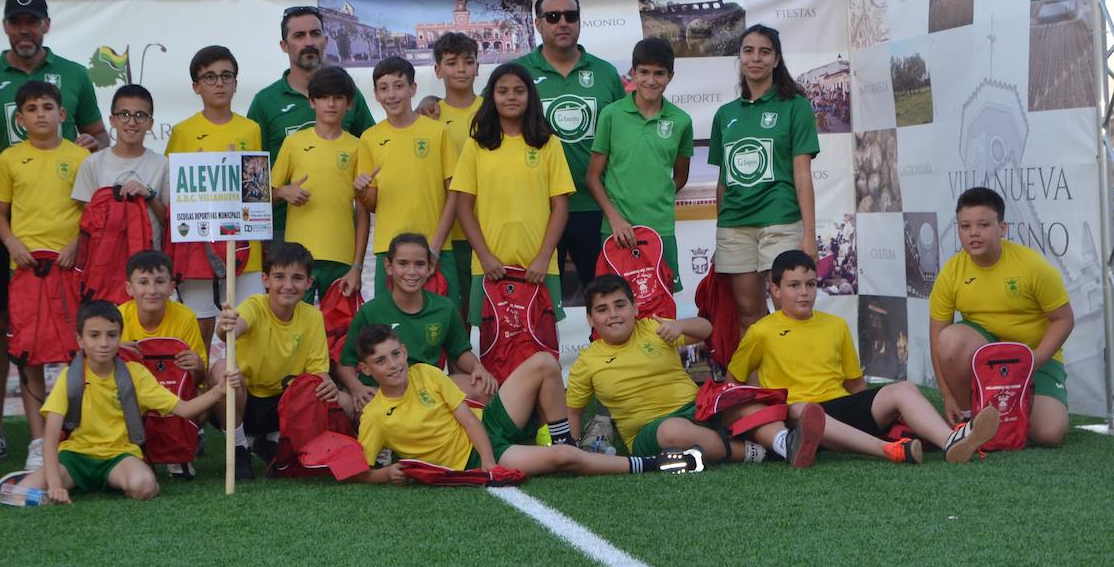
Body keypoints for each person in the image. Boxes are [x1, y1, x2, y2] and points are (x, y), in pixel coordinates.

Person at [0, 0, 108, 464]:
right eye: (16, 22)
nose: (25, 29)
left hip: (68, 254)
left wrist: (91, 145)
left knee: (75, 339)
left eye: (33, 21)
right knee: (4, 332)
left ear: (46, 25)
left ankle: (76, 431)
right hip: (7, 243)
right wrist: (7, 240)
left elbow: (100, 138)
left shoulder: (73, 74)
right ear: (6, 26)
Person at [731, 251, 997, 464]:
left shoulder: (835, 325)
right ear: (775, 290)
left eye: (810, 284)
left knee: (903, 389)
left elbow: (856, 386)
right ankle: (889, 450)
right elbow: (733, 382)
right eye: (794, 285)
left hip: (841, 408)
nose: (804, 292)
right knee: (803, 409)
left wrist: (884, 409)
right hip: (802, 422)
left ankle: (951, 441)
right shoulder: (760, 332)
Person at [351, 325, 702, 481]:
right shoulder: (375, 415)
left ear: (404, 350)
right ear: (366, 370)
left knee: (544, 363)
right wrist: (385, 474)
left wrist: (489, 462)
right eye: (381, 361)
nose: (394, 364)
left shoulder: (424, 372)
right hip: (472, 459)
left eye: (396, 353)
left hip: (486, 435)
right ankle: (654, 464)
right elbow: (361, 470)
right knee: (565, 460)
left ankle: (565, 438)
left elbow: (468, 419)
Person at [0, 300, 241, 503]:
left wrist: (218, 390)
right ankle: (43, 478)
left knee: (144, 487)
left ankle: (102, 482)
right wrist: (54, 485)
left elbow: (185, 409)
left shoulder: (135, 373)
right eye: (94, 336)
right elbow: (51, 435)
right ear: (80, 340)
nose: (103, 343)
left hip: (118, 456)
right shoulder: (70, 377)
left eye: (111, 335)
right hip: (75, 458)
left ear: (120, 337)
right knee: (18, 495)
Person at [570, 275, 822, 467]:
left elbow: (706, 329)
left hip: (698, 407)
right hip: (649, 432)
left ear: (634, 308)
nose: (613, 315)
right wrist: (572, 448)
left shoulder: (651, 327)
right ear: (590, 319)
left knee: (742, 401)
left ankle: (786, 444)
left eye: (620, 305)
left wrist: (680, 326)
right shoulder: (586, 361)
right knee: (673, 431)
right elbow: (574, 410)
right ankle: (748, 451)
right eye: (602, 310)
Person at [0, 80, 90, 471]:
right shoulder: (9, 160)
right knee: (29, 354)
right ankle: (37, 441)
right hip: (27, 269)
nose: (41, 115)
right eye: (31, 109)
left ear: (62, 114)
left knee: (74, 352)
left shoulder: (81, 158)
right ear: (20, 119)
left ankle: (70, 434)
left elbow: (90, 214)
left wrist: (76, 244)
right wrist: (12, 244)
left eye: (48, 107)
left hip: (68, 268)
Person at [929, 187, 1073, 446]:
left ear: (1002, 228)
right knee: (950, 340)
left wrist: (1033, 361)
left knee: (1049, 434)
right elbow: (937, 336)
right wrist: (947, 395)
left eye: (983, 224)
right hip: (985, 357)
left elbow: (1064, 319)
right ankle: (970, 419)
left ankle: (1006, 412)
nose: (973, 233)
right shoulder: (951, 272)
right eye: (965, 226)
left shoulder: (1032, 265)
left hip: (1033, 357)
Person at [708, 24, 819, 336]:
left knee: (790, 311)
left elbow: (802, 172)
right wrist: (721, 231)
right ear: (740, 58)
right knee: (749, 316)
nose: (755, 58)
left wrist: (809, 235)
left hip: (780, 221)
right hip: (735, 227)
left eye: (764, 52)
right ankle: (758, 386)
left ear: (777, 59)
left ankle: (797, 383)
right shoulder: (724, 114)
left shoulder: (795, 106)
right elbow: (723, 181)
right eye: (748, 51)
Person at [515, 0, 625, 291]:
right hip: (539, 209)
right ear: (538, 24)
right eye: (553, 17)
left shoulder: (605, 73)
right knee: (540, 303)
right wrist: (431, 101)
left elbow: (626, 130)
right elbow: (485, 115)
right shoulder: (518, 72)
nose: (563, 23)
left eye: (571, 16)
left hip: (596, 208)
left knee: (606, 300)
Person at [450, 62, 573, 329]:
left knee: (542, 346)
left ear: (530, 96)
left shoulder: (548, 144)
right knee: (493, 352)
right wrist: (485, 257)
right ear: (491, 97)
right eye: (502, 91)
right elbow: (463, 207)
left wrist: (543, 257)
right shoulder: (477, 146)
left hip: (538, 269)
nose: (511, 97)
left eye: (519, 91)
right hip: (490, 268)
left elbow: (560, 207)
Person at [214, 241, 347, 480]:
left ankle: (272, 442)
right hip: (244, 399)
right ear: (265, 280)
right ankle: (238, 447)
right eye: (279, 277)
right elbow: (229, 331)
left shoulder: (313, 316)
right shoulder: (255, 304)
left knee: (340, 398)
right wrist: (226, 325)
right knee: (221, 369)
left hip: (282, 405)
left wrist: (326, 382)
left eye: (297, 278)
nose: (288, 285)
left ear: (309, 283)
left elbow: (318, 371)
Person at [165, 45, 264, 352]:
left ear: (236, 81)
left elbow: (256, 192)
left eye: (226, 76)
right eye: (210, 77)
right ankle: (200, 397)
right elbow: (173, 193)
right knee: (199, 332)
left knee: (248, 331)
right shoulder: (183, 132)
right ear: (196, 86)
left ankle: (242, 398)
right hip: (198, 248)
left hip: (245, 248)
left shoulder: (251, 129)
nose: (219, 83)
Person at [247, 6, 376, 238]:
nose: (309, 42)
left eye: (315, 34)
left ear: (325, 40)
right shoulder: (265, 102)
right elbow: (252, 181)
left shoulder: (349, 95)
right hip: (279, 233)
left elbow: (377, 145)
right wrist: (280, 192)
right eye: (299, 36)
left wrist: (422, 108)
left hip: (337, 235)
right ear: (284, 46)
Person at [335, 233, 496, 411]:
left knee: (484, 387)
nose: (411, 272)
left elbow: (459, 352)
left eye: (419, 264)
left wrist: (477, 367)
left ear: (430, 268)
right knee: (367, 410)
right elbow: (345, 363)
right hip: (384, 390)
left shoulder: (444, 307)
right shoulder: (370, 311)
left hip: (427, 386)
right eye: (403, 263)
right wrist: (356, 387)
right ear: (388, 266)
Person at [586, 37, 694, 291]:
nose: (651, 80)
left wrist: (657, 195)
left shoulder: (681, 121)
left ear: (671, 76)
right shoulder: (611, 115)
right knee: (617, 305)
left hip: (661, 230)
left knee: (661, 307)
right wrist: (615, 218)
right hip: (617, 230)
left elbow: (680, 176)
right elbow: (592, 177)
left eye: (659, 73)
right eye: (644, 72)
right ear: (633, 73)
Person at [356, 56, 458, 304]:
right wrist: (360, 192)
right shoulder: (369, 138)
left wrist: (434, 246)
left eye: (399, 86)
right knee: (389, 329)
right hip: (389, 252)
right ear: (376, 94)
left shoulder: (437, 132)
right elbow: (370, 204)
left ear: (413, 88)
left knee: (447, 323)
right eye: (384, 88)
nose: (392, 94)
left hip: (437, 248)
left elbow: (454, 194)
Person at [270, 65, 370, 302]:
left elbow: (363, 211)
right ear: (312, 102)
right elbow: (265, 195)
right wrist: (284, 192)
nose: (331, 104)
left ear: (349, 104)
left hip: (341, 258)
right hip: (297, 260)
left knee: (337, 334)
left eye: (338, 98)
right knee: (294, 328)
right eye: (324, 98)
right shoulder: (294, 143)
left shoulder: (358, 146)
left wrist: (357, 266)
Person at [118, 250, 211, 479]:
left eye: (159, 282)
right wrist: (117, 355)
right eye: (143, 282)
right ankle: (131, 452)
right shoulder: (119, 317)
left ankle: (179, 454)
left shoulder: (185, 317)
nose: (151, 290)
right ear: (129, 288)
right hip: (135, 397)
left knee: (201, 397)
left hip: (172, 393)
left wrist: (197, 365)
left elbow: (199, 379)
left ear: (172, 287)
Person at [417, 31, 483, 315]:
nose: (461, 69)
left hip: (487, 230)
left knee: (489, 313)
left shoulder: (493, 111)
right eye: (452, 63)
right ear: (438, 69)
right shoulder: (428, 115)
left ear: (478, 67)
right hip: (446, 235)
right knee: (453, 314)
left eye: (468, 62)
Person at [71, 83, 169, 250]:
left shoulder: (163, 164)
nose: (132, 122)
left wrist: (149, 195)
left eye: (140, 115)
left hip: (150, 267)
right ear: (112, 120)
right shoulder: (92, 163)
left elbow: (169, 223)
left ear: (150, 123)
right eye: (124, 114)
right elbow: (86, 224)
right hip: (104, 264)